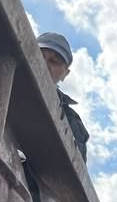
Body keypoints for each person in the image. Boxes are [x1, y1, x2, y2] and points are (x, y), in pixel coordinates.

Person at [36, 32, 89, 161]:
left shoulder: (72, 122)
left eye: (55, 61)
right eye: (39, 55)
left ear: (65, 74)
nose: (45, 63)